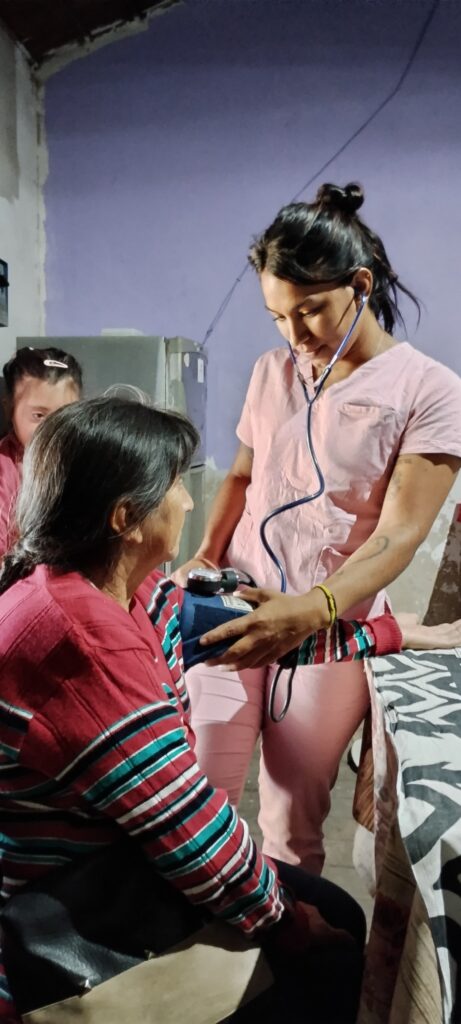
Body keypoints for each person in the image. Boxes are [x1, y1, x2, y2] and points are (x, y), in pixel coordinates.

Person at [0, 397, 365, 1024]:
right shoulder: (81, 642)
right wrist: (287, 923)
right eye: (174, 485)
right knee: (330, 945)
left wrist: (395, 634)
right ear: (125, 518)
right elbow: (189, 827)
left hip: (113, 859)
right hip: (69, 899)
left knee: (331, 909)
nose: (190, 502)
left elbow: (260, 632)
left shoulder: (125, 591)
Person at [173, 182, 461, 873]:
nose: (294, 335)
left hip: (330, 625)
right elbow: (241, 479)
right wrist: (205, 556)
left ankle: (285, 931)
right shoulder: (271, 372)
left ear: (359, 285)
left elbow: (399, 535)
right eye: (278, 316)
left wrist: (311, 608)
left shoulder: (428, 390)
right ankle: (201, 924)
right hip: (236, 603)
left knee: (292, 813)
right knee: (201, 790)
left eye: (309, 311)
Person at [0, 345, 82, 557]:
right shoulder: (3, 470)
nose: (52, 428)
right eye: (38, 415)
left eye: (64, 415)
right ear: (9, 409)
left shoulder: (89, 461)